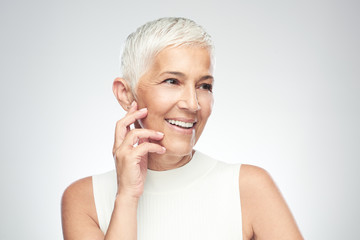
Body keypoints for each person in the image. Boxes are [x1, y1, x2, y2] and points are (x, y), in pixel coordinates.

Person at [61, 17, 303, 240]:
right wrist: (126, 197)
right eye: (172, 81)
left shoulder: (249, 187)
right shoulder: (84, 200)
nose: (193, 104)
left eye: (204, 86)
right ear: (126, 93)